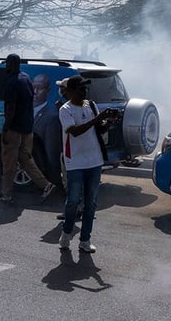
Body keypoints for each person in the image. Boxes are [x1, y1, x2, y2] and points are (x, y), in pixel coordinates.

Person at [57, 75, 119, 253]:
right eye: (81, 88)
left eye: (85, 88)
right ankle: (67, 232)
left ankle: (85, 239)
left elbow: (98, 129)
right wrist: (96, 119)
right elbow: (75, 132)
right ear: (70, 91)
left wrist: (109, 122)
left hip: (94, 160)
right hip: (75, 161)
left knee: (91, 203)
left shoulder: (90, 105)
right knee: (73, 201)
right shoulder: (65, 110)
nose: (85, 91)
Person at [0, 54, 56, 204]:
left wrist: (6, 128)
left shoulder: (11, 82)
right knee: (26, 158)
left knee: (8, 162)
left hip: (14, 128)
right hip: (28, 127)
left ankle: (6, 194)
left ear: (10, 64)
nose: (6, 66)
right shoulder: (26, 78)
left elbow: (11, 107)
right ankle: (46, 185)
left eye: (7, 63)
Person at [33, 73, 63, 188]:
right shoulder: (26, 111)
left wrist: (53, 181)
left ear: (47, 90)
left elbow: (51, 153)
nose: (35, 92)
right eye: (33, 87)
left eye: (39, 88)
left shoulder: (50, 117)